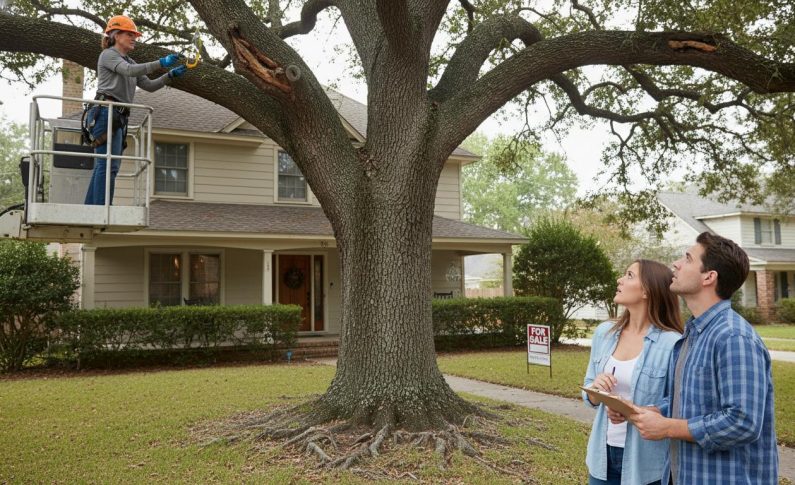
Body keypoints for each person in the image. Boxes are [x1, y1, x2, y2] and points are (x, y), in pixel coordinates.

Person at [629, 232, 778, 484]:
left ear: (709, 277)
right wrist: (655, 411)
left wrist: (667, 427)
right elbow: (695, 399)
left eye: (687, 258)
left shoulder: (733, 336)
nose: (676, 264)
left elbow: (742, 422)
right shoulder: (694, 332)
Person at [583, 259, 684, 485]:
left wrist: (641, 410)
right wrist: (595, 390)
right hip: (602, 457)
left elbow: (680, 401)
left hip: (647, 464)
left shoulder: (672, 343)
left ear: (647, 290)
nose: (619, 280)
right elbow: (589, 387)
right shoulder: (604, 333)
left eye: (629, 275)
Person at [84, 15, 187, 205]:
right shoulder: (108, 55)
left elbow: (149, 85)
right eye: (130, 34)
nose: (134, 38)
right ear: (115, 35)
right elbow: (130, 71)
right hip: (106, 110)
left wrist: (169, 75)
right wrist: (160, 62)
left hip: (119, 115)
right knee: (106, 164)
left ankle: (93, 207)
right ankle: (100, 208)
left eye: (135, 35)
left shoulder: (130, 60)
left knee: (110, 165)